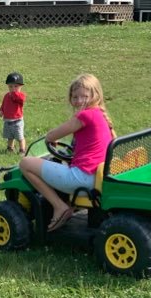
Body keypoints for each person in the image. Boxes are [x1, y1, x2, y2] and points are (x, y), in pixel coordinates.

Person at [19, 74, 116, 232]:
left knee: (25, 163)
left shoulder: (84, 115)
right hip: (98, 176)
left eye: (84, 96)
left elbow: (51, 136)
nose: (79, 101)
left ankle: (59, 206)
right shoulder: (100, 115)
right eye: (75, 96)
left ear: (95, 95)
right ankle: (66, 205)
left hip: (81, 178)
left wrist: (51, 138)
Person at [0, 71, 27, 156]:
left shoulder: (21, 96)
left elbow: (20, 100)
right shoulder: (7, 95)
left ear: (21, 86)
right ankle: (10, 148)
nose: (13, 88)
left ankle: (22, 150)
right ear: (8, 86)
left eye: (16, 86)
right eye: (10, 86)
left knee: (20, 137)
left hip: (17, 121)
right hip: (7, 121)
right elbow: (3, 105)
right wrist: (1, 111)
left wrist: (14, 93)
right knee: (10, 136)